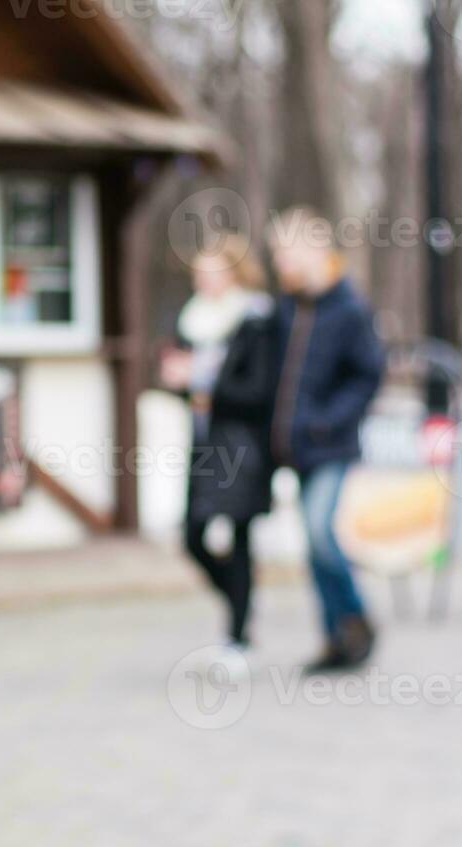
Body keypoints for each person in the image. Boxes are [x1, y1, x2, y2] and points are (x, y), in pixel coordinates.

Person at [266, 207, 386, 673]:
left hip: (330, 445)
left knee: (320, 532)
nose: (281, 264)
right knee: (314, 545)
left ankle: (355, 618)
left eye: (286, 253)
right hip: (295, 447)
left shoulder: (348, 308)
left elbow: (367, 375)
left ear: (315, 250)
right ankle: (337, 636)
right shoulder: (287, 309)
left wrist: (326, 420)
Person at [161, 237, 279, 663]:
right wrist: (181, 383)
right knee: (192, 535)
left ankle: (238, 635)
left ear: (235, 273)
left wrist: (201, 380)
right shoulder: (193, 321)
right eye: (199, 272)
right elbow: (191, 392)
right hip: (205, 443)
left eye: (212, 271)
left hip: (243, 445)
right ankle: (239, 603)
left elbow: (257, 391)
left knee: (240, 534)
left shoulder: (256, 320)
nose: (203, 280)